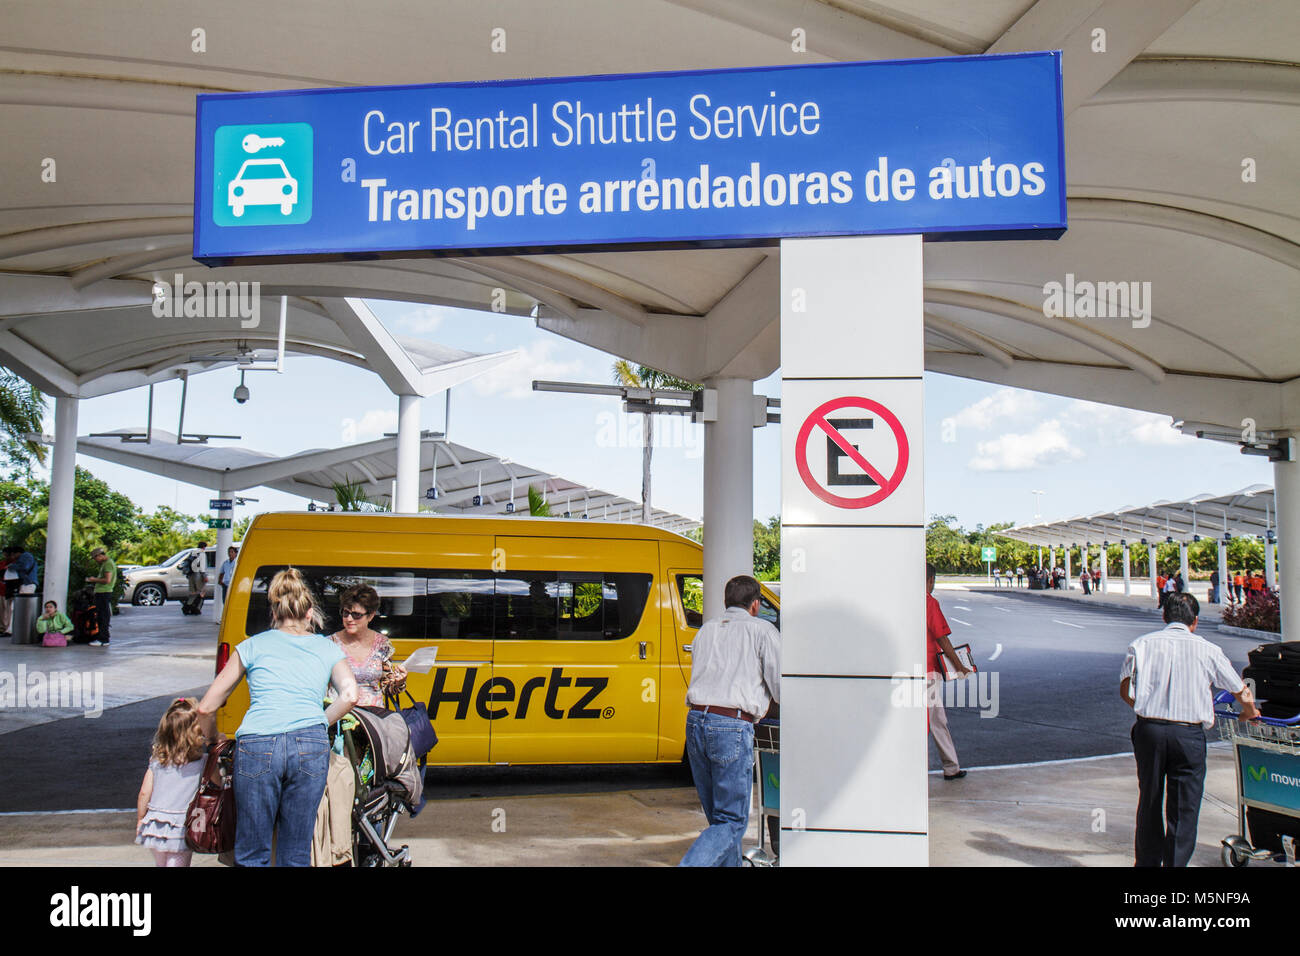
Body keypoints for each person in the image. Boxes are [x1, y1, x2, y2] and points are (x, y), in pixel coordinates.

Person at [197, 567, 358, 866]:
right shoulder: (327, 647)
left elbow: (206, 707)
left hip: (257, 744)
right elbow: (350, 695)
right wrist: (320, 720)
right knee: (296, 850)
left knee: (252, 849)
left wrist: (212, 738)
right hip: (310, 745)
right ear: (309, 612)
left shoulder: (252, 646)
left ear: (274, 611)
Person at [1120, 591, 1259, 867]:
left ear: (1164, 617)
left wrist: (1149, 706)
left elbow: (1125, 689)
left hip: (1150, 731)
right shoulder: (1208, 649)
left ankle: (1146, 864)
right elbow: (1240, 690)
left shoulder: (1141, 644)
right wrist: (1250, 712)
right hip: (1188, 736)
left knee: (1149, 798)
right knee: (1184, 806)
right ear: (1195, 622)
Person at [680, 574, 780, 867]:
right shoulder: (762, 630)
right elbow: (780, 687)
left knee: (718, 819)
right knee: (732, 821)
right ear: (756, 604)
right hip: (731, 725)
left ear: (726, 602)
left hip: (696, 720)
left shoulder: (706, 630)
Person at [135, 697, 207, 867]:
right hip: (182, 827)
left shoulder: (157, 761)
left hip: (155, 824)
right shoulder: (202, 762)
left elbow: (144, 793)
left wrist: (140, 818)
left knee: (161, 864)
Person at [927, 563, 972, 781]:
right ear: (930, 580)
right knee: (936, 720)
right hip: (927, 671)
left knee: (934, 720)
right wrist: (960, 665)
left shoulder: (902, 601)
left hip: (909, 670)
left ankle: (951, 766)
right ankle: (950, 767)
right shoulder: (929, 602)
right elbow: (942, 638)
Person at [328, 584, 407, 708]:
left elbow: (387, 689)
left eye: (356, 615)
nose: (349, 619)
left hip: (373, 719)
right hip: (339, 717)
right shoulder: (330, 643)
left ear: (370, 616)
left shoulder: (382, 644)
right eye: (345, 613)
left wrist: (399, 682)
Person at [86, 547, 116, 646]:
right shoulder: (105, 563)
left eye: (95, 558)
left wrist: (94, 580)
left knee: (103, 616)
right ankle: (102, 637)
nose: (96, 561)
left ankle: (103, 639)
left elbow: (107, 580)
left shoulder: (108, 564)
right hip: (101, 592)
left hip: (104, 592)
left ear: (100, 556)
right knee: (101, 615)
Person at [182, 541, 208, 615]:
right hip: (198, 576)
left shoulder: (193, 553)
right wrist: (205, 577)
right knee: (202, 592)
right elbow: (202, 567)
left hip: (191, 576)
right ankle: (196, 608)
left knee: (193, 593)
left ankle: (186, 608)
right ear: (204, 547)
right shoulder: (202, 554)